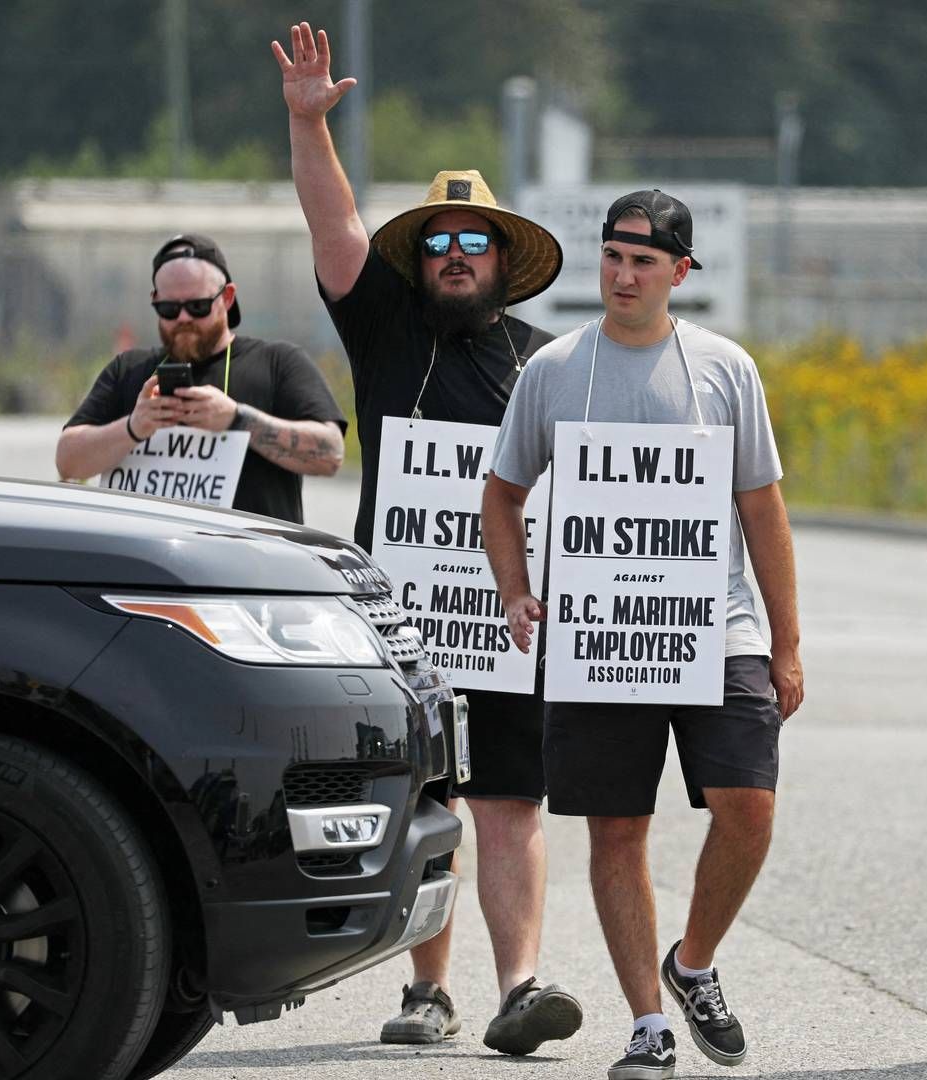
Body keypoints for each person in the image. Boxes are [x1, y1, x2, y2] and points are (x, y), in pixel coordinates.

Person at [272, 20, 582, 1056]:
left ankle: (522, 987)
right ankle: (426, 992)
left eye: (472, 242)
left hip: (508, 614)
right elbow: (335, 229)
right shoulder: (387, 329)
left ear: (502, 259)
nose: (454, 256)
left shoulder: (549, 361)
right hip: (401, 616)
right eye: (439, 243)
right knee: (427, 798)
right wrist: (308, 125)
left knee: (510, 805)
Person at [482, 190, 804, 1080]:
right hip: (600, 634)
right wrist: (514, 590)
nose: (623, 275)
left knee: (750, 807)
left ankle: (691, 961)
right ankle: (650, 1026)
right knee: (617, 831)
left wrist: (785, 642)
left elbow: (763, 509)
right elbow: (502, 495)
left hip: (719, 624)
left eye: (644, 261)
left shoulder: (724, 368)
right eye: (613, 256)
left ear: (679, 273)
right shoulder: (554, 369)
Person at [57, 234, 346, 522]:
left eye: (198, 307)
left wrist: (238, 419)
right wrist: (133, 427)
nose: (183, 318)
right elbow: (68, 462)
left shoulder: (278, 363)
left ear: (228, 298)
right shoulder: (129, 369)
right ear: (155, 302)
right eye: (169, 309)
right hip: (147, 563)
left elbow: (331, 453)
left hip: (251, 563)